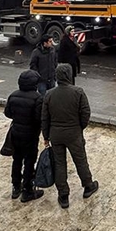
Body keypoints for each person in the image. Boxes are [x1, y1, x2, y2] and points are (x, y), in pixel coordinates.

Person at [42, 63, 98, 209]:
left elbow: (45, 118)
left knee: (59, 164)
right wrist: (80, 127)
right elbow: (86, 113)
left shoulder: (49, 94)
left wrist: (46, 136)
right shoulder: (78, 92)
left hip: (56, 134)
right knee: (80, 160)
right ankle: (88, 185)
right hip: (74, 133)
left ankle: (63, 195)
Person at [4, 70, 45, 202]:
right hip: (31, 135)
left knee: (16, 159)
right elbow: (39, 118)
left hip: (16, 133)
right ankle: (27, 190)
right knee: (29, 161)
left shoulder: (13, 96)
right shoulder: (38, 98)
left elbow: (8, 113)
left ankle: (16, 186)